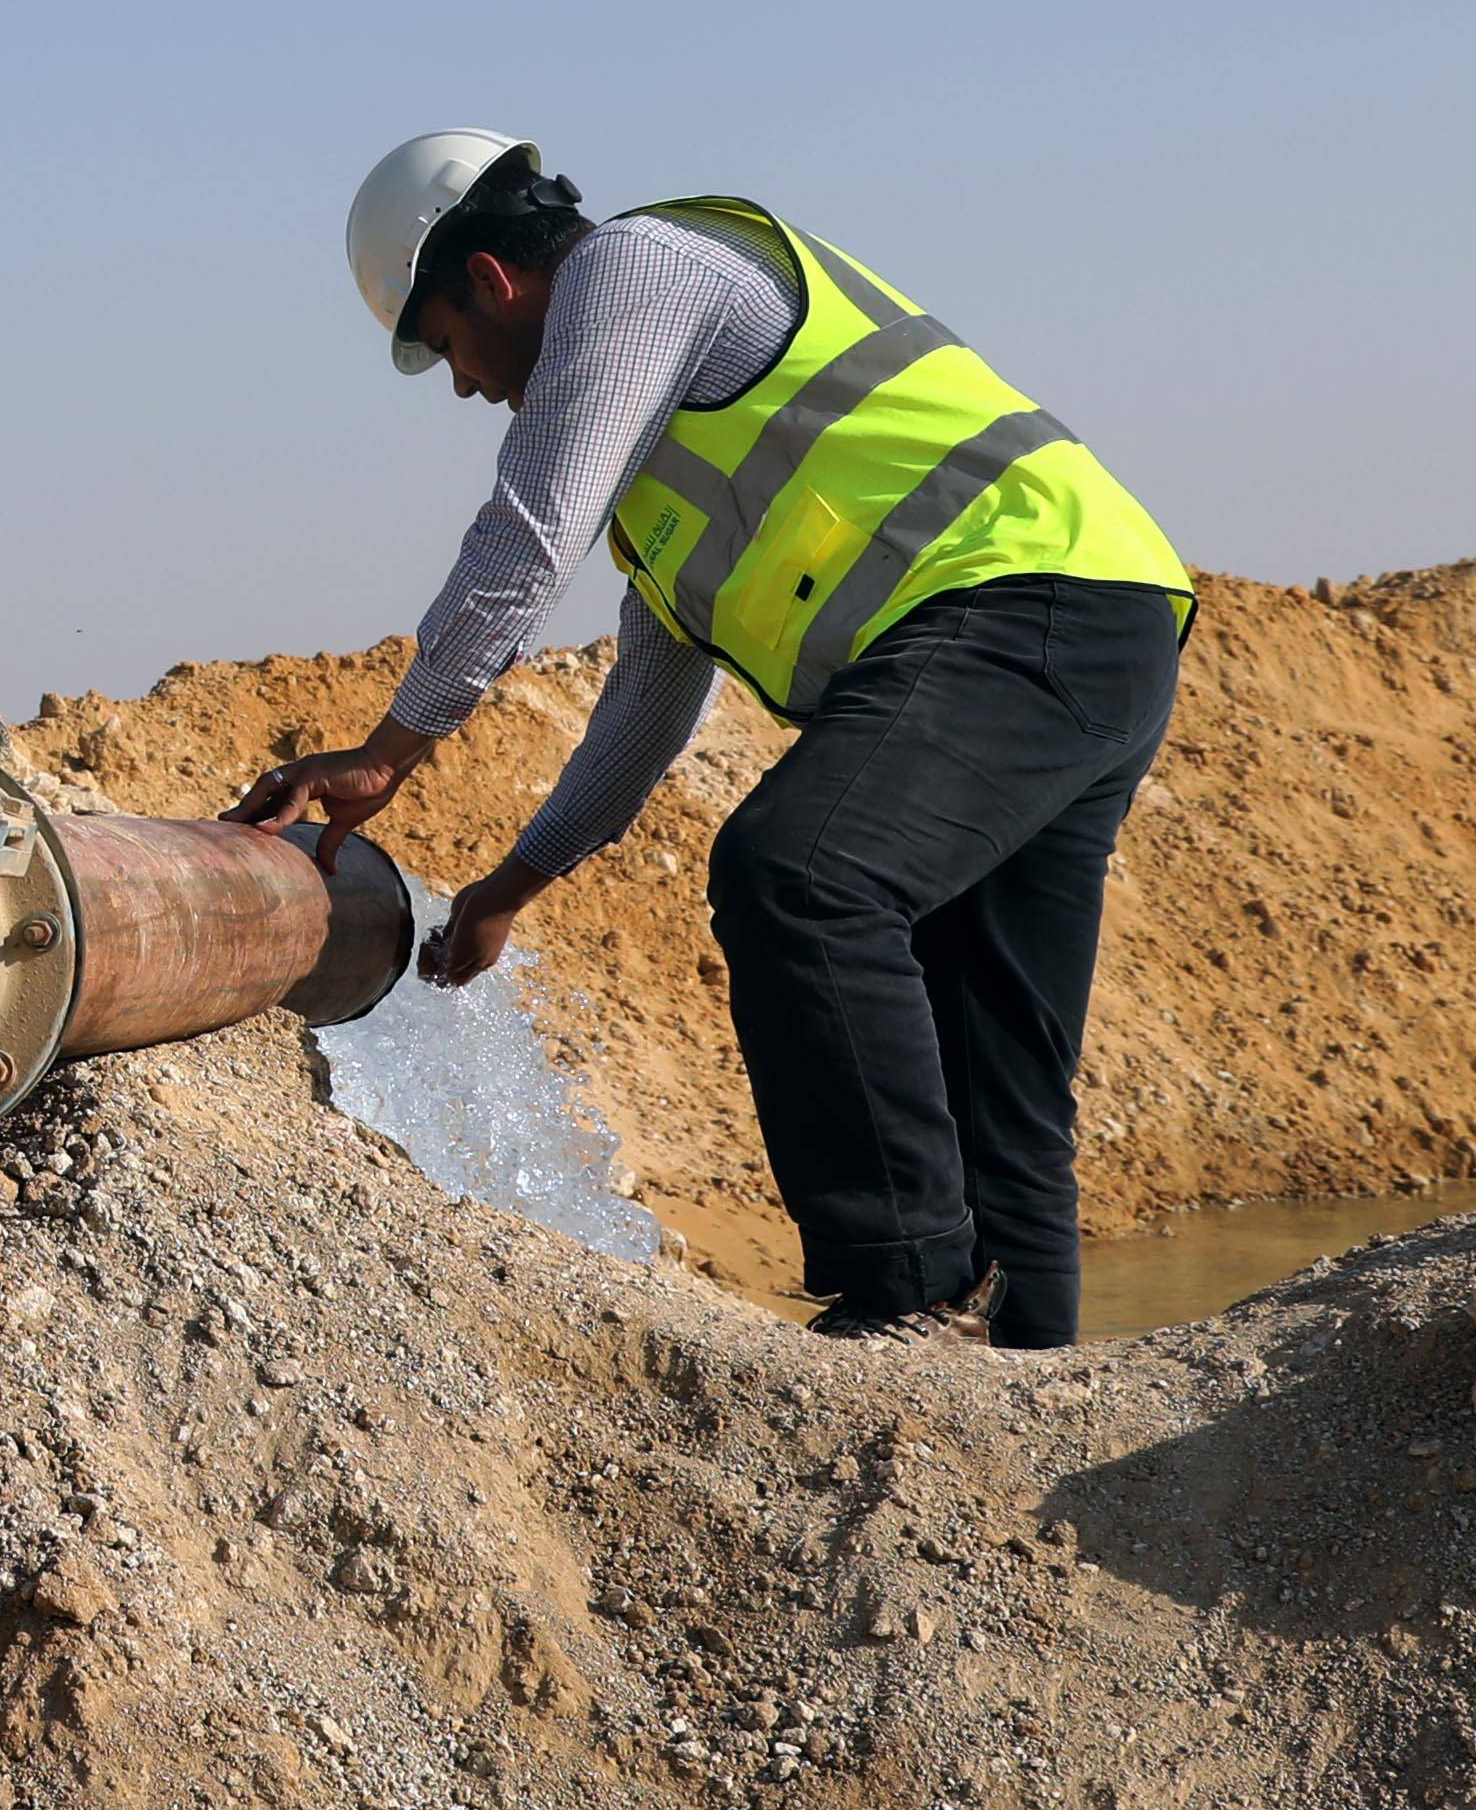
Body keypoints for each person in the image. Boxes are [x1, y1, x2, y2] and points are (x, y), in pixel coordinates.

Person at [248, 134, 1194, 1353]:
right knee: (991, 1068)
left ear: (490, 278)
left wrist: (387, 751)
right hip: (1099, 629)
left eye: (446, 348)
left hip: (1024, 600)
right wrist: (511, 889)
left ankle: (907, 1298)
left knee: (799, 873)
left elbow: (529, 533)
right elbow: (647, 704)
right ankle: (1021, 1406)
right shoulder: (662, 485)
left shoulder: (636, 269)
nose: (469, 388)